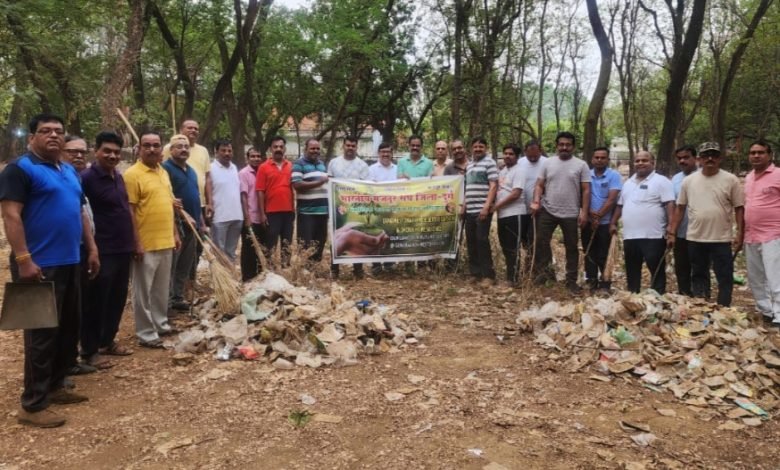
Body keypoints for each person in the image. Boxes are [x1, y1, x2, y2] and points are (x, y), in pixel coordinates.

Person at [0, 113, 99, 428]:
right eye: (45, 131)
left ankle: (56, 386)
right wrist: (24, 259)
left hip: (71, 260)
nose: (53, 136)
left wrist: (92, 248)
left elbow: (80, 211)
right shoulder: (20, 170)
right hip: (38, 265)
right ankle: (32, 404)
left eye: (58, 131)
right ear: (32, 137)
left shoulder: (69, 170)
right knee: (40, 335)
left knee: (68, 327)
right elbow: (11, 216)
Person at [79, 131, 135, 370]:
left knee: (117, 297)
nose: (112, 155)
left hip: (123, 248)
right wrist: (92, 249)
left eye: (116, 152)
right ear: (96, 150)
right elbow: (82, 214)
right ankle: (89, 350)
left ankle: (107, 341)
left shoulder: (118, 177)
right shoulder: (87, 178)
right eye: (107, 151)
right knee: (96, 300)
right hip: (102, 250)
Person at [124, 130, 181, 349]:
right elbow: (130, 211)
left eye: (156, 145)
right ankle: (146, 333)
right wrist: (136, 242)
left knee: (160, 289)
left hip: (165, 240)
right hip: (145, 243)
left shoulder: (163, 172)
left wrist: (175, 233)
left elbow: (169, 205)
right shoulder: (132, 174)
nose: (151, 149)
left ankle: (161, 324)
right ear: (139, 149)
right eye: (146, 145)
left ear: (161, 149)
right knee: (142, 291)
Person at [669, 142, 744, 307]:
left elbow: (739, 208)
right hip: (696, 237)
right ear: (699, 159)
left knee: (724, 275)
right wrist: (672, 232)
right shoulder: (689, 181)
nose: (710, 159)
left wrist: (739, 233)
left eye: (714, 155)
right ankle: (701, 306)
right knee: (699, 273)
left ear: (720, 158)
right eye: (706, 156)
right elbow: (680, 208)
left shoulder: (731, 180)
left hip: (721, 238)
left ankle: (723, 307)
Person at [530, 131, 590, 292]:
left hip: (571, 213)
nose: (564, 147)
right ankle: (546, 275)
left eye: (568, 145)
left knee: (571, 247)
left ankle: (571, 281)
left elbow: (586, 190)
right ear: (557, 146)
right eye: (561, 144)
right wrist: (536, 201)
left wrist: (584, 212)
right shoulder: (547, 163)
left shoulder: (581, 165)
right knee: (541, 242)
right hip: (548, 210)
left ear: (573, 147)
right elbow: (539, 185)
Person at [610, 151, 675, 294]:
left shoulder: (661, 181)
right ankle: (633, 297)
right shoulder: (628, 183)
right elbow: (620, 205)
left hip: (654, 236)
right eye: (637, 161)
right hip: (630, 236)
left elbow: (670, 204)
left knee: (656, 269)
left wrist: (671, 229)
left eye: (644, 160)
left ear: (653, 162)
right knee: (632, 270)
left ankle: (658, 299)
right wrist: (613, 222)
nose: (640, 163)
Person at [61, 135, 99, 375]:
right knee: (54, 318)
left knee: (76, 309)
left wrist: (92, 247)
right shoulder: (31, 172)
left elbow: (82, 213)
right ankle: (55, 374)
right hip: (53, 256)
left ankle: (70, 361)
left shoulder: (73, 177)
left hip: (80, 251)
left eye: (83, 152)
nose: (78, 156)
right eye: (72, 151)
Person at [743, 140, 780, 325]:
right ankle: (766, 310)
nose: (756, 155)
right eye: (752, 152)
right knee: (755, 277)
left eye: (760, 152)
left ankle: (779, 314)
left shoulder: (778, 174)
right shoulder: (749, 177)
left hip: (773, 234)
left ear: (769, 155)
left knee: (775, 276)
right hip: (751, 235)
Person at [162, 134, 201, 311]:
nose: (184, 149)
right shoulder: (165, 170)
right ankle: (166, 301)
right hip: (175, 224)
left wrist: (200, 220)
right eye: (179, 146)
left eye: (186, 146)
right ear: (171, 150)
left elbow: (196, 197)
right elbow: (165, 198)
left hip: (192, 224)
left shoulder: (191, 170)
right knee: (172, 264)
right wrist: (180, 212)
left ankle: (178, 297)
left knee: (185, 264)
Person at [327, 135, 369, 279]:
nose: (350, 148)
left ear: (356, 147)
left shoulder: (362, 165)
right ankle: (334, 270)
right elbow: (330, 183)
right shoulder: (333, 163)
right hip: (337, 207)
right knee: (336, 236)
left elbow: (365, 187)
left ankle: (357, 269)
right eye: (348, 145)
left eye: (353, 146)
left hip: (355, 208)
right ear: (343, 146)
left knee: (357, 236)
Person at [581, 147, 622, 291]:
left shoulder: (614, 176)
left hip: (605, 223)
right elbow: (581, 196)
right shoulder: (586, 175)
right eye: (596, 157)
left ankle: (605, 283)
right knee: (589, 251)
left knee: (604, 254)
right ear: (592, 159)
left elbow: (612, 199)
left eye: (603, 157)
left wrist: (598, 216)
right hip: (587, 221)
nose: (599, 160)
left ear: (608, 160)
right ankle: (591, 281)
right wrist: (590, 215)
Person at [464, 137, 499, 282]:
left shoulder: (490, 163)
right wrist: (464, 206)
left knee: (482, 240)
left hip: (482, 209)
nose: (478, 149)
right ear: (472, 148)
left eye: (481, 147)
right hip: (469, 210)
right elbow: (467, 187)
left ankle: (488, 275)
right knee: (471, 241)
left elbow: (493, 186)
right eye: (475, 146)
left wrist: (486, 207)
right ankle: (475, 273)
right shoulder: (469, 165)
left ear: (486, 148)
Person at [163, 119, 211, 220]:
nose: (193, 130)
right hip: (177, 207)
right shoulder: (168, 149)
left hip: (199, 203)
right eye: (189, 128)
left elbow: (207, 178)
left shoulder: (202, 151)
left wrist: (209, 202)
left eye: (196, 129)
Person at [292, 138, 329, 265]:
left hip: (323, 212)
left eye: (317, 148)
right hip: (307, 212)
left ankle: (315, 271)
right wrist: (319, 182)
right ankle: (304, 271)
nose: (315, 151)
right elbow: (297, 184)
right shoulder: (298, 164)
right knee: (305, 244)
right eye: (312, 148)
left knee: (320, 242)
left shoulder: (321, 165)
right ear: (306, 149)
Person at [492, 144, 525, 284]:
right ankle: (509, 275)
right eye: (505, 153)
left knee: (513, 247)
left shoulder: (519, 171)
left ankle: (514, 278)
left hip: (515, 213)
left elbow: (515, 194)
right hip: (502, 215)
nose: (507, 156)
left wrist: (495, 206)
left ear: (517, 156)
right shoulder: (502, 171)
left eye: (511, 154)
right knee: (505, 245)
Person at [670, 145, 698, 296]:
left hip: (700, 232)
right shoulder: (675, 179)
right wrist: (671, 231)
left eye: (686, 157)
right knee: (682, 267)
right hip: (681, 231)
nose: (682, 161)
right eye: (679, 158)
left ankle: (701, 297)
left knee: (699, 267)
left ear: (695, 158)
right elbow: (674, 205)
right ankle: (684, 295)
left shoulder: (704, 175)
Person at [209, 139, 243, 260]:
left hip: (236, 217)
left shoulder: (234, 168)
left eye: (229, 150)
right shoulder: (210, 168)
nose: (227, 153)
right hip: (219, 217)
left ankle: (229, 277)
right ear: (216, 152)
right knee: (218, 253)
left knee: (231, 252)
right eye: (223, 150)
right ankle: (219, 279)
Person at [367, 142, 397, 275]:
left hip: (393, 210)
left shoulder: (398, 169)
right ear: (379, 153)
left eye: (388, 152)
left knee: (391, 237)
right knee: (376, 237)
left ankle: (389, 263)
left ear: (392, 154)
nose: (385, 154)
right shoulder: (371, 169)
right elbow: (369, 189)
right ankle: (376, 264)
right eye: (383, 152)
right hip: (377, 210)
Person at [239, 147, 266, 281]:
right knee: (248, 250)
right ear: (247, 158)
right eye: (253, 156)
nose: (256, 159)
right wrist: (246, 217)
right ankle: (247, 277)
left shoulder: (263, 171)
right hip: (250, 217)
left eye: (258, 156)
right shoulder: (244, 173)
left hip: (262, 217)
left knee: (261, 248)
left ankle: (260, 276)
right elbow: (243, 196)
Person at [517, 140, 547, 250]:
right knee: (522, 235)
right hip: (522, 208)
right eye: (530, 156)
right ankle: (528, 259)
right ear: (525, 152)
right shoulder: (520, 162)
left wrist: (538, 201)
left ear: (540, 151)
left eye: (536, 155)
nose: (533, 158)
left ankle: (540, 262)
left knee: (536, 237)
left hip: (541, 208)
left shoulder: (546, 163)